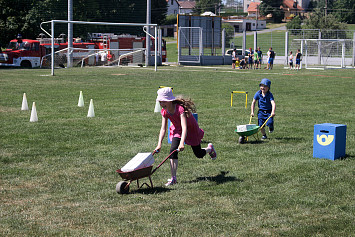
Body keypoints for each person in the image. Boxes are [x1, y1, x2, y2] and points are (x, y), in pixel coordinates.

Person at [155, 87, 217, 186]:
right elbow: (163, 129)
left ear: (170, 101)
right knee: (172, 151)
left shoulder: (180, 109)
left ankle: (209, 149)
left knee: (199, 154)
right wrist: (159, 144)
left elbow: (185, 128)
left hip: (191, 130)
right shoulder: (165, 111)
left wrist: (181, 143)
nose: (162, 104)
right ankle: (173, 178)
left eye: (164, 102)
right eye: (160, 102)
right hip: (178, 130)